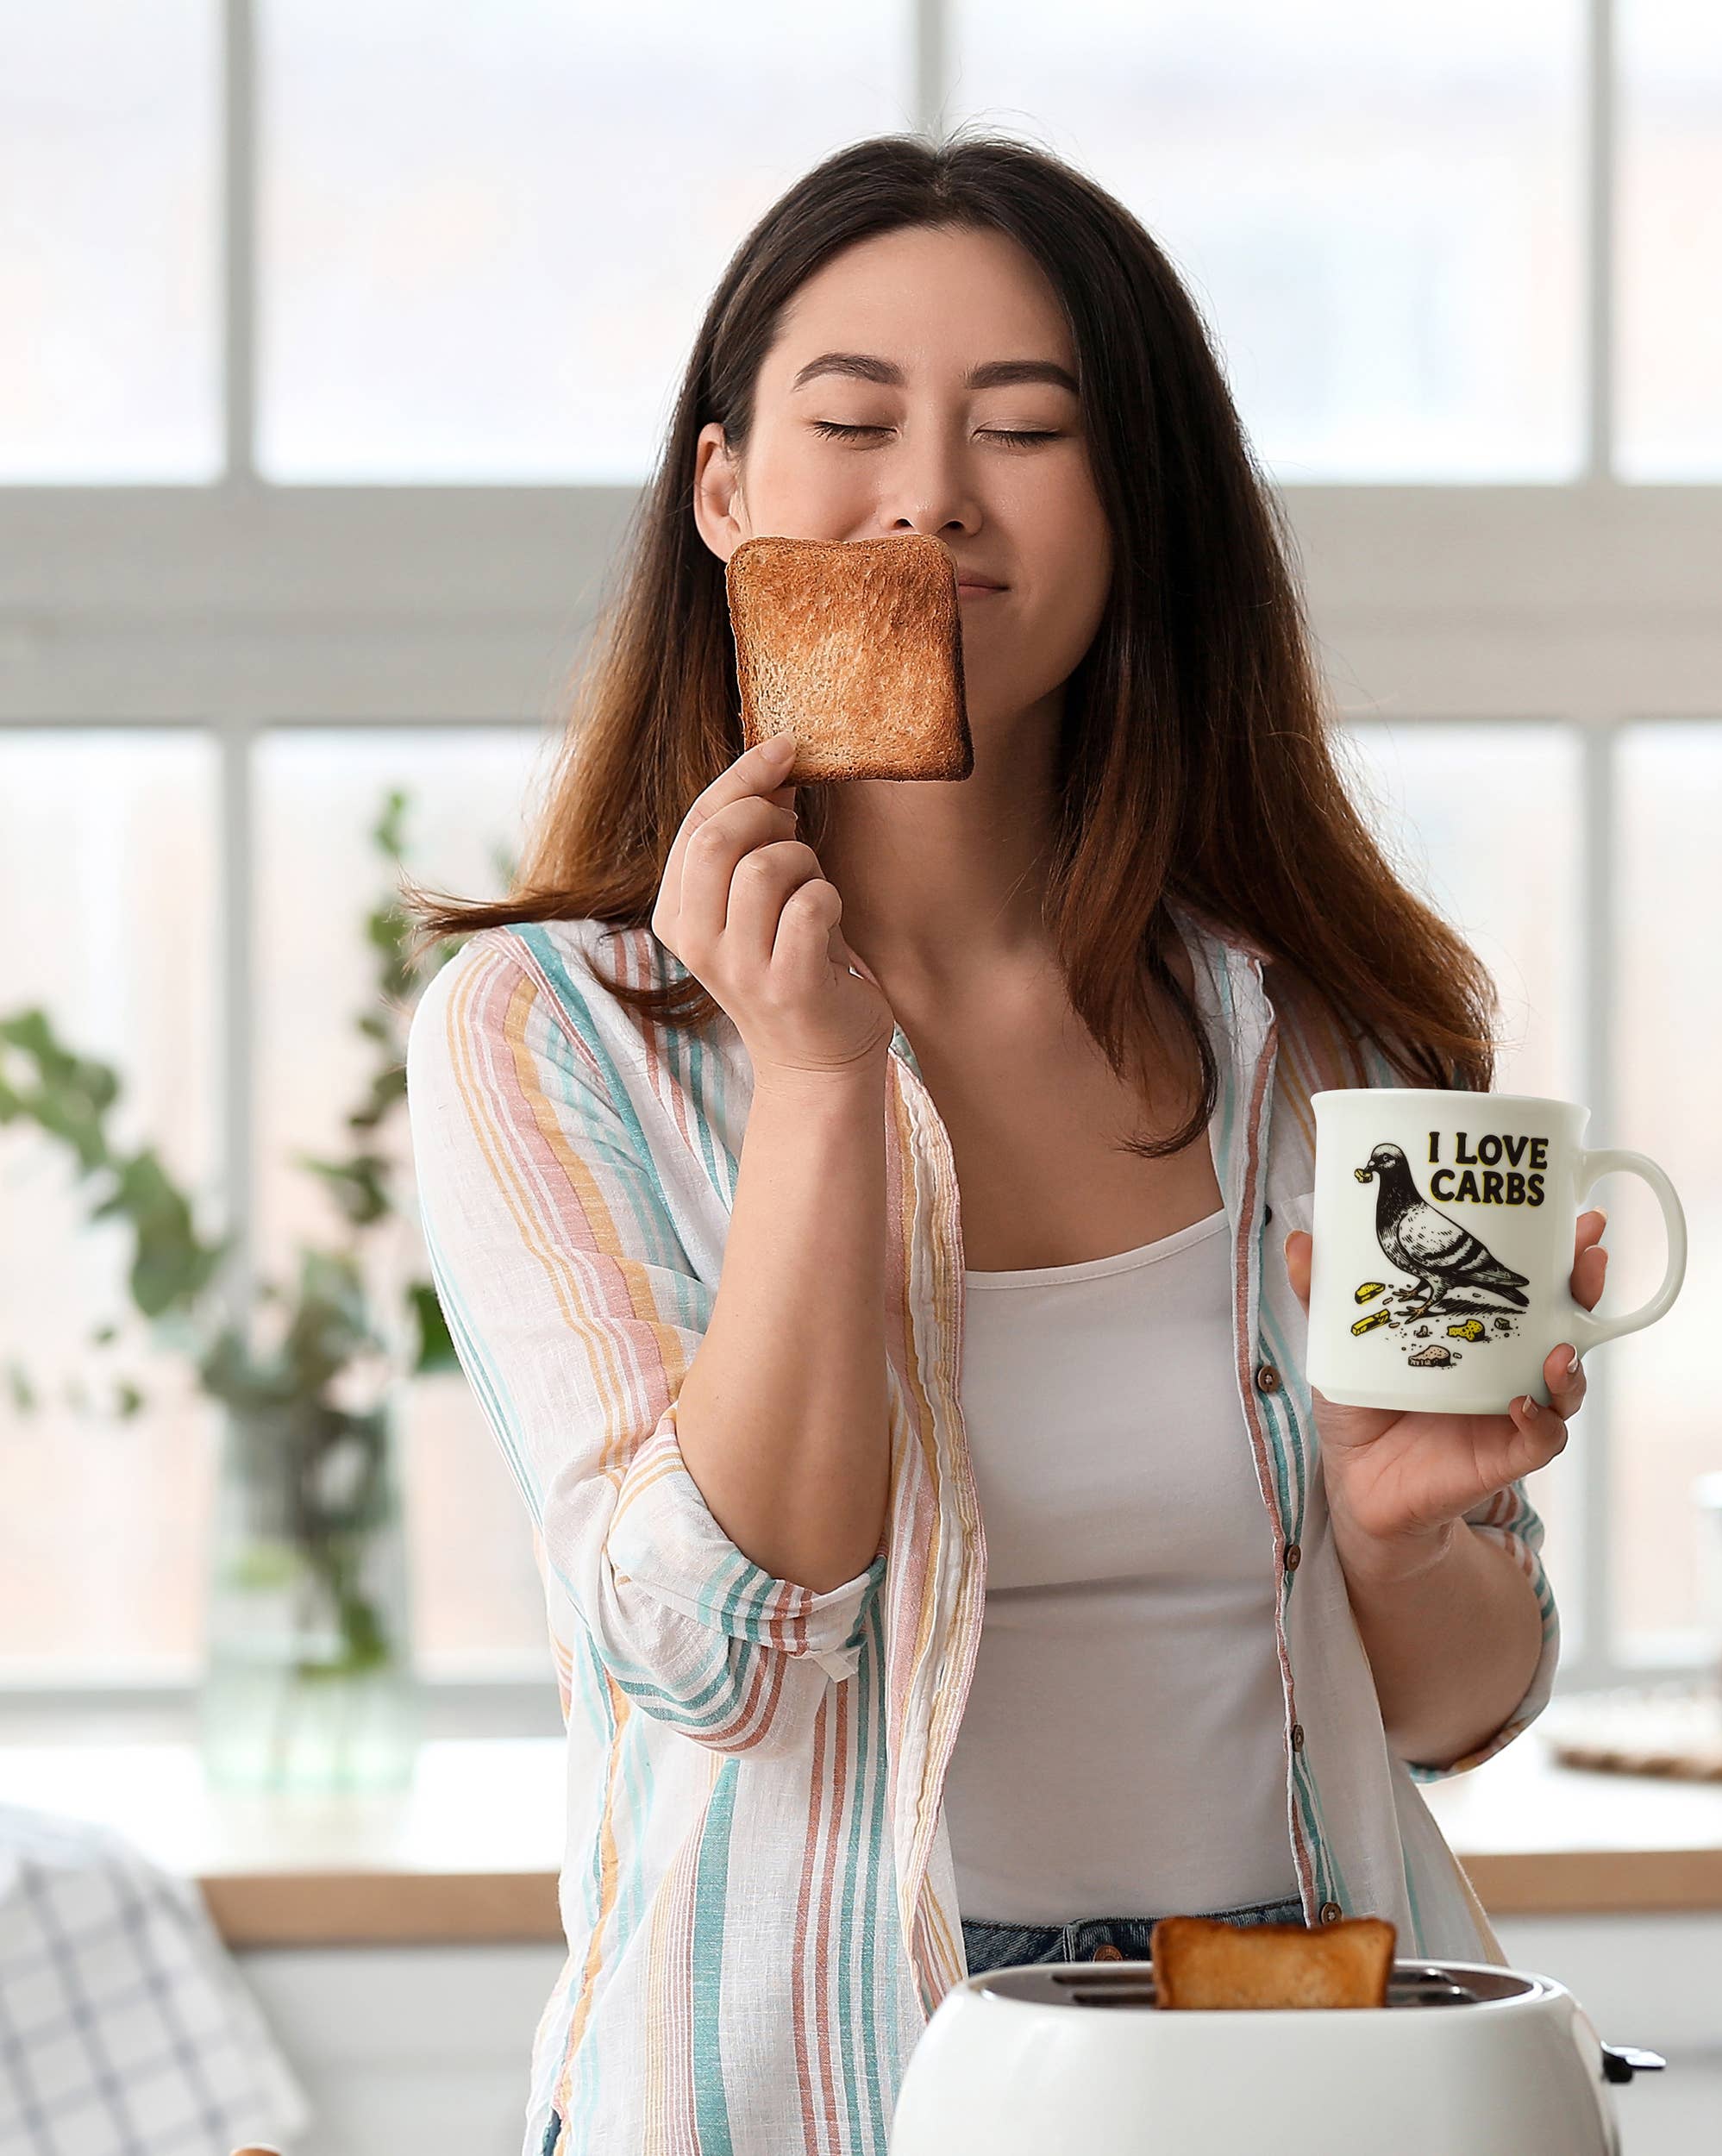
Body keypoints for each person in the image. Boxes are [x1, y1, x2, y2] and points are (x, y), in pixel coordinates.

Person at [402, 127, 1603, 2156]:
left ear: (1132, 510)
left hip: (1312, 2071)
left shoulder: (1327, 1024)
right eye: (850, 418)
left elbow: (1457, 1701)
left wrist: (1401, 1536)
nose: (931, 492)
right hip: (814, 2092)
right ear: (724, 492)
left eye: (1026, 430)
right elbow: (715, 1662)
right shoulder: (552, 1039)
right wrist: (810, 1083)